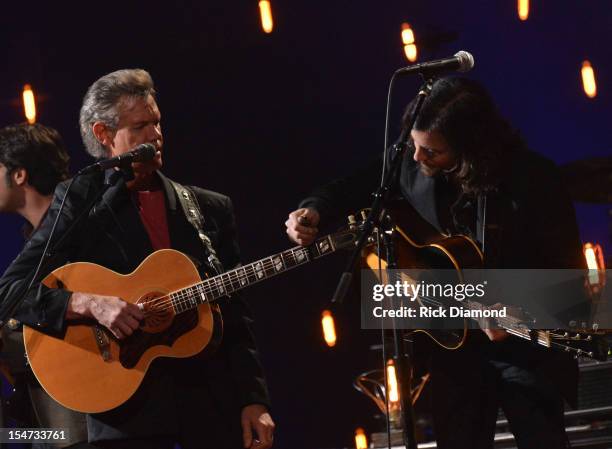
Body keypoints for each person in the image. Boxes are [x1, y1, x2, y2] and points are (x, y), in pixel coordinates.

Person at [285, 77, 584, 449]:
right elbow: (350, 187)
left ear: (471, 147)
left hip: (526, 351)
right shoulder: (412, 163)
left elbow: (572, 279)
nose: (416, 158)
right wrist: (312, 209)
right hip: (453, 349)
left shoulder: (534, 178)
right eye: (414, 145)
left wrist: (518, 309)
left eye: (432, 152)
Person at [0, 69, 274, 449]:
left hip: (208, 402)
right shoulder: (79, 199)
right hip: (125, 409)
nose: (155, 135)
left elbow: (236, 313)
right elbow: (10, 291)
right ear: (104, 135)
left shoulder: (209, 207)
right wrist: (90, 304)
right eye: (140, 126)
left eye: (157, 123)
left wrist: (253, 399)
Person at [0, 123, 92, 449]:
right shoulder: (34, 243)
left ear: (19, 175)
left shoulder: (78, 230)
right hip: (45, 422)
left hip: (80, 420)